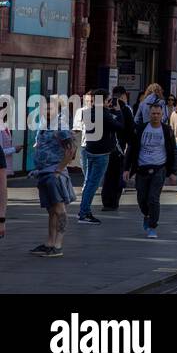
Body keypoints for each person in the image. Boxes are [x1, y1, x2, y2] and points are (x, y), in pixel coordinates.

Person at [30, 101, 77, 257]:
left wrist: (59, 169)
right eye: (44, 108)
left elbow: (71, 150)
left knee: (59, 210)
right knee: (51, 210)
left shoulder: (61, 127)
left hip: (54, 174)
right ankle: (49, 243)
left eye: (50, 108)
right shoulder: (43, 126)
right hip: (43, 173)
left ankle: (57, 245)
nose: (46, 110)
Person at [125, 102, 177, 238]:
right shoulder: (140, 129)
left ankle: (152, 226)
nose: (155, 116)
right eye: (153, 113)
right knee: (142, 198)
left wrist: (173, 172)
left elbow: (173, 151)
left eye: (158, 114)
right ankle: (147, 215)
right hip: (142, 168)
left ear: (162, 115)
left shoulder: (167, 130)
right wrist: (126, 169)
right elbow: (131, 149)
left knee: (153, 198)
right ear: (149, 114)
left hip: (159, 168)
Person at [77, 90, 118, 225]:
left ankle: (83, 211)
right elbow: (119, 126)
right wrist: (118, 112)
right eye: (108, 100)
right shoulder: (104, 115)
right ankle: (84, 213)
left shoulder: (89, 112)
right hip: (101, 154)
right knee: (92, 184)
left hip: (89, 150)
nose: (110, 103)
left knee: (89, 182)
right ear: (104, 101)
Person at [100, 87, 134, 212]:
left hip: (106, 147)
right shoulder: (125, 109)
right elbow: (129, 128)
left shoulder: (105, 108)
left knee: (108, 175)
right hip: (118, 148)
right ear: (124, 96)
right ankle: (113, 201)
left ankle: (107, 201)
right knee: (115, 175)